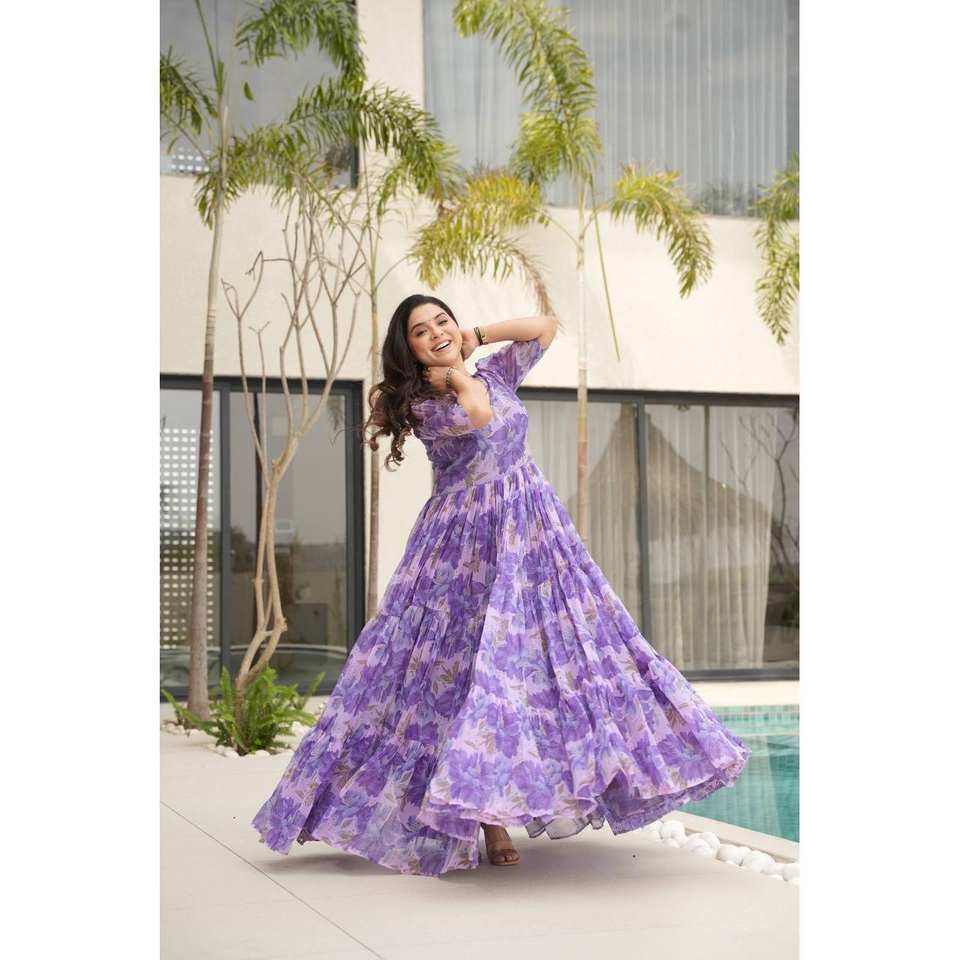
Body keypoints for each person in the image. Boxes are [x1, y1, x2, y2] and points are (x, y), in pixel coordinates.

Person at [251, 293, 751, 875]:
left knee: (549, 658)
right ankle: (487, 821)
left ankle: (543, 788)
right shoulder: (422, 403)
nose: (436, 332)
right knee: (469, 669)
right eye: (421, 330)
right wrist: (455, 372)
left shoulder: (493, 371)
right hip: (465, 546)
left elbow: (546, 327)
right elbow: (481, 417)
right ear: (408, 348)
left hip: (533, 529)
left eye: (442, 321)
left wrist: (478, 334)